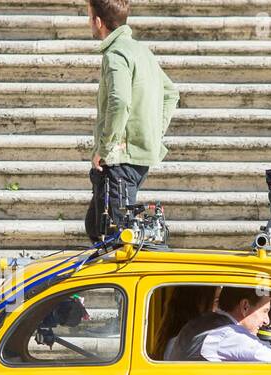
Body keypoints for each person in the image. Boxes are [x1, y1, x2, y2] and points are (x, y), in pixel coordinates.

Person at [84, 0, 179, 244]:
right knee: (96, 226)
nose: (88, 22)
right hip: (134, 159)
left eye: (88, 16)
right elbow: (170, 93)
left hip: (119, 160)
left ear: (98, 21)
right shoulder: (141, 51)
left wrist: (104, 148)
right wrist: (153, 132)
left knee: (118, 238)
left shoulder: (116, 54)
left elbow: (119, 102)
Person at [164, 286, 271, 363]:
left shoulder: (206, 323)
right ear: (245, 306)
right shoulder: (228, 335)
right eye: (264, 311)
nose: (267, 321)